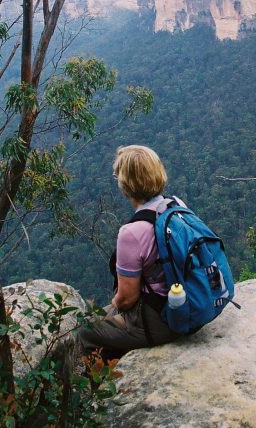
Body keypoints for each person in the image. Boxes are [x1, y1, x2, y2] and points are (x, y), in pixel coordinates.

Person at [77, 145, 181, 360]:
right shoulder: (175, 205)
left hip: (160, 321)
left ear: (125, 185)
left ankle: (101, 387)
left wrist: (113, 308)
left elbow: (127, 299)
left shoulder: (132, 233)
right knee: (102, 316)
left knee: (83, 331)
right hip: (184, 303)